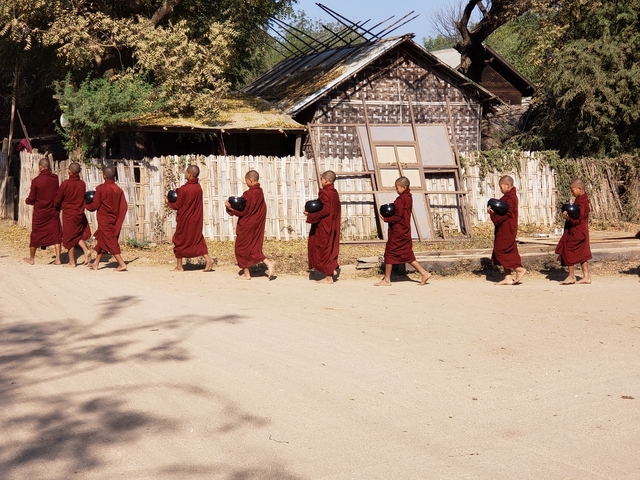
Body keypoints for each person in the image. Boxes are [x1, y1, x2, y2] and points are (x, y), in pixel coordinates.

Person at [375, 176, 431, 286]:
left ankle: (387, 280)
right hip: (404, 230)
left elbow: (398, 217)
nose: (396, 190)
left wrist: (385, 219)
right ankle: (424, 273)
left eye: (397, 188)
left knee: (389, 253)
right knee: (407, 254)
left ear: (404, 187)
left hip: (399, 231)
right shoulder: (408, 197)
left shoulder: (402, 200)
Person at [225, 170, 275, 280]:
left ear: (251, 180)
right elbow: (260, 209)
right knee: (253, 247)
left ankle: (247, 274)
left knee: (241, 248)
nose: (246, 183)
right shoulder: (260, 192)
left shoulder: (248, 194)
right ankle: (269, 264)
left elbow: (243, 211)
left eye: (246, 181)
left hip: (247, 225)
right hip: (256, 224)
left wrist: (230, 208)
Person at [166, 164, 213, 272]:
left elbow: (178, 205)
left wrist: (168, 202)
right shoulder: (198, 188)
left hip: (186, 219)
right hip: (196, 219)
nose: (186, 174)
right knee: (197, 239)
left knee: (179, 240)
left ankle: (179, 266)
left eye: (187, 172)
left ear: (190, 175)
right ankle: (208, 259)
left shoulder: (185, 189)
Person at [85, 166, 128, 271]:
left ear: (104, 176)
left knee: (110, 240)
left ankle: (122, 264)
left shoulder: (101, 189)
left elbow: (95, 205)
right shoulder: (118, 190)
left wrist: (85, 205)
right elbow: (124, 206)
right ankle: (96, 263)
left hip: (104, 219)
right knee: (102, 240)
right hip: (114, 219)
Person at [488, 175, 527, 285]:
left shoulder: (510, 198)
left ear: (507, 185)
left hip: (507, 228)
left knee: (500, 251)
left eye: (501, 186)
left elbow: (506, 214)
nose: (500, 189)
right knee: (508, 250)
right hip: (505, 228)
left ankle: (518, 269)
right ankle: (508, 277)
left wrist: (492, 214)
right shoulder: (509, 197)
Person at [24, 156, 63, 265]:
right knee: (55, 233)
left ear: (40, 167)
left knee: (36, 234)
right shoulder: (55, 178)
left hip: (40, 212)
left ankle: (31, 258)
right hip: (52, 211)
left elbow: (32, 197)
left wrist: (28, 201)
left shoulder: (36, 181)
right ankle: (58, 259)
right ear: (48, 167)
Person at [304, 170, 341, 284]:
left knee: (322, 248)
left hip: (324, 226)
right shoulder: (334, 193)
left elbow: (325, 210)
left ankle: (329, 276)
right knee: (329, 248)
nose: (321, 181)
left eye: (322, 179)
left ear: (325, 179)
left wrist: (311, 215)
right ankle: (331, 271)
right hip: (333, 225)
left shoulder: (325, 192)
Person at [54, 162, 92, 267]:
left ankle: (72, 262)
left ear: (69, 171)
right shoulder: (82, 184)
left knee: (69, 237)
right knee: (76, 234)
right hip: (79, 213)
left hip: (68, 213)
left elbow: (58, 198)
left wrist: (56, 205)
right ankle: (86, 250)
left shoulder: (66, 184)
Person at [555, 178, 592, 284]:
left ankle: (571, 276)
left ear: (579, 189)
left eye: (573, 190)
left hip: (577, 232)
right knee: (582, 253)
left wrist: (567, 218)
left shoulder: (583, 202)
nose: (572, 192)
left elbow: (578, 220)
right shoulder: (581, 200)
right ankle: (587, 277)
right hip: (581, 231)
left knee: (567, 250)